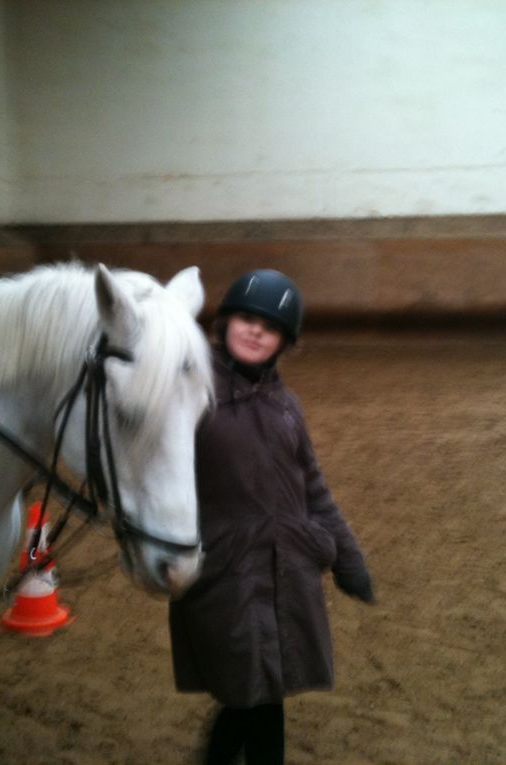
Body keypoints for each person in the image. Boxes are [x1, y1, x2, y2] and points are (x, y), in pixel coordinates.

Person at [168, 269, 375, 765]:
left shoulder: (286, 406)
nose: (256, 330)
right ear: (224, 323)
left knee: (262, 695)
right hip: (227, 576)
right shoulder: (191, 394)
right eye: (245, 318)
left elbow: (315, 489)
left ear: (284, 340)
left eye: (270, 325)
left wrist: (349, 559)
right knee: (250, 696)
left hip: (287, 573)